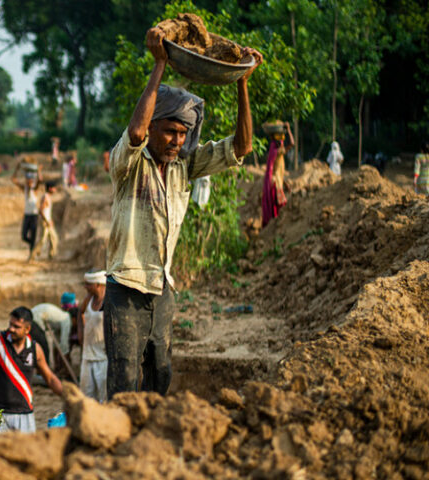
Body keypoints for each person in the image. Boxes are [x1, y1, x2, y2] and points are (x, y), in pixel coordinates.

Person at [104, 26, 262, 398]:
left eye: (182, 133)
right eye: (169, 131)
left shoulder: (184, 167)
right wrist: (159, 64)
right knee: (124, 381)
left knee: (160, 375)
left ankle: (152, 443)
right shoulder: (127, 164)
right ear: (154, 126)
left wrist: (241, 82)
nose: (177, 141)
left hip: (162, 288)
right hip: (125, 288)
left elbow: (241, 147)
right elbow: (136, 131)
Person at [0, 307, 63, 433]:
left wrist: (68, 396)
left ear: (27, 329)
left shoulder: (35, 350)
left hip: (24, 413)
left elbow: (50, 378)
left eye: (16, 326)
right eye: (10, 324)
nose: (11, 329)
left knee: (25, 452)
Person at [78, 269, 108, 403]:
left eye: (88, 284)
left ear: (98, 284)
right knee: (86, 398)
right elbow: (80, 312)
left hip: (103, 358)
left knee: (104, 398)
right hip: (87, 356)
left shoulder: (108, 302)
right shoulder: (88, 299)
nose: (85, 287)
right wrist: (80, 334)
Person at [262, 121, 294, 227]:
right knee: (278, 207)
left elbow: (278, 171)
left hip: (276, 181)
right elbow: (292, 143)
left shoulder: (275, 151)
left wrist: (285, 184)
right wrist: (289, 129)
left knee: (277, 207)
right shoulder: (278, 151)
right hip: (275, 183)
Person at [11, 160, 43, 261]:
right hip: (27, 215)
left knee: (33, 235)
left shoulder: (35, 189)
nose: (29, 182)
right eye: (27, 180)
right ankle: (34, 246)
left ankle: (31, 254)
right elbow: (13, 179)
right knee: (24, 236)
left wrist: (38, 171)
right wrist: (17, 169)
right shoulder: (24, 189)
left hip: (34, 215)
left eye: (30, 180)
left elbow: (40, 180)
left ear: (32, 181)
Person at [33, 181, 59, 260]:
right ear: (50, 189)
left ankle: (52, 255)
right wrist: (47, 221)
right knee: (43, 240)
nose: (55, 189)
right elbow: (41, 210)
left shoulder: (47, 197)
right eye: (54, 188)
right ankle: (33, 255)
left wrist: (49, 220)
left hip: (47, 221)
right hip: (45, 222)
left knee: (53, 238)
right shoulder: (45, 197)